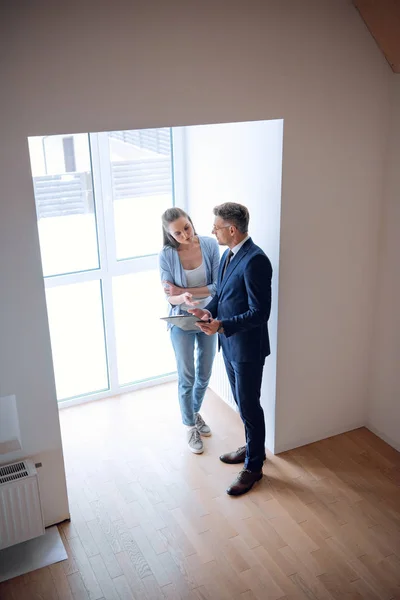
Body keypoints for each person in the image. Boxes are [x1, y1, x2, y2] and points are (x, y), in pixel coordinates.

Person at [189, 202, 272, 496]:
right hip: (230, 343)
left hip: (247, 348)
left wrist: (222, 324)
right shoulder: (228, 255)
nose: (213, 231)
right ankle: (254, 448)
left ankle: (254, 467)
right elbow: (222, 295)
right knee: (242, 403)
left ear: (232, 230)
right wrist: (207, 313)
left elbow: (260, 313)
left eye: (217, 226)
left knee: (249, 405)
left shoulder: (255, 261)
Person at [159, 207, 220, 454]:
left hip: (208, 318)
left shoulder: (209, 245)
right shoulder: (166, 255)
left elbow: (217, 287)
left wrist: (186, 293)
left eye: (187, 227)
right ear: (169, 235)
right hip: (182, 322)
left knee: (204, 373)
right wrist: (180, 297)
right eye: (178, 232)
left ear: (191, 222)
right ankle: (189, 425)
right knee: (187, 377)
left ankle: (194, 414)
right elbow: (169, 297)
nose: (185, 234)